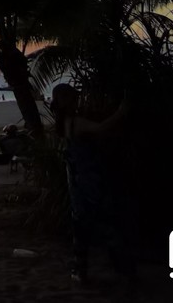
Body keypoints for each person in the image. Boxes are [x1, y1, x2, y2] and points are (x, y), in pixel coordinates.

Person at [50, 84, 133, 288]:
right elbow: (101, 127)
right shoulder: (76, 122)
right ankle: (122, 269)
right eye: (75, 99)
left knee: (81, 225)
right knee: (107, 222)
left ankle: (80, 270)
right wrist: (121, 112)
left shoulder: (63, 123)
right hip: (88, 179)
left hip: (75, 180)